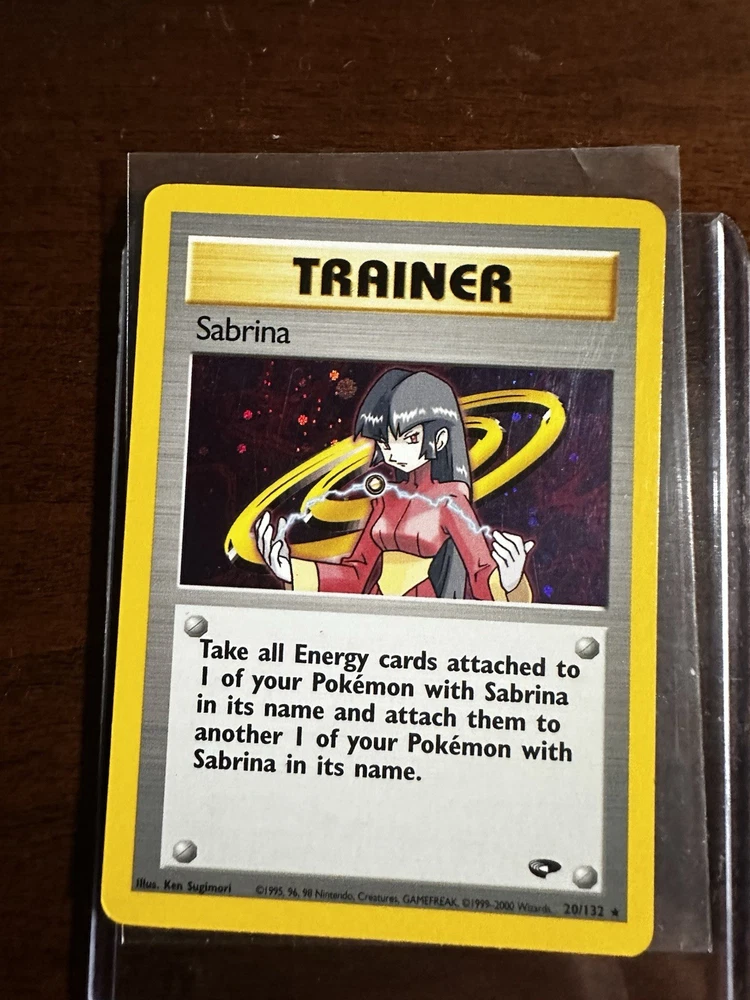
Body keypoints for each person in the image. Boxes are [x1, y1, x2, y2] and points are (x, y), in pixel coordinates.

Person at [255, 368, 534, 601]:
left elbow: (480, 572)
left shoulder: (450, 502)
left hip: (424, 611)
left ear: (439, 439)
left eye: (408, 439)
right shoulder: (385, 500)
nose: (392, 451)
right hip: (376, 610)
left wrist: (510, 581)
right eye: (385, 441)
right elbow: (357, 574)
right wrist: (290, 570)